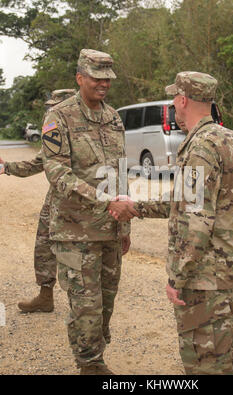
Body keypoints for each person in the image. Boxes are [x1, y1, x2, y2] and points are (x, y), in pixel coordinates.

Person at [111, 71, 233, 375]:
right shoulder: (229, 138)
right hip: (227, 268)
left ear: (183, 99)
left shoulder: (200, 146)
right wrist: (137, 207)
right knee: (226, 350)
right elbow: (193, 200)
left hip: (203, 277)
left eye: (175, 99)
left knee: (204, 358)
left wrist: (179, 276)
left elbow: (196, 218)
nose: (174, 107)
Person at [41, 49, 138, 375]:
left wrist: (124, 223)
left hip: (110, 228)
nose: (103, 84)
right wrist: (103, 200)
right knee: (86, 306)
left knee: (106, 304)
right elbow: (57, 172)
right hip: (74, 230)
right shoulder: (59, 117)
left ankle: (95, 351)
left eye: (107, 78)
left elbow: (121, 171)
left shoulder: (113, 118)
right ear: (80, 78)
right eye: (96, 77)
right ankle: (90, 365)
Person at [0, 89, 76, 313]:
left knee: (79, 249)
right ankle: (45, 296)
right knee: (44, 245)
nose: (49, 111)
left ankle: (84, 302)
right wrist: (7, 167)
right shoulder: (53, 136)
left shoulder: (83, 135)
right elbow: (37, 163)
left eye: (54, 107)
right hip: (54, 199)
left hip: (78, 201)